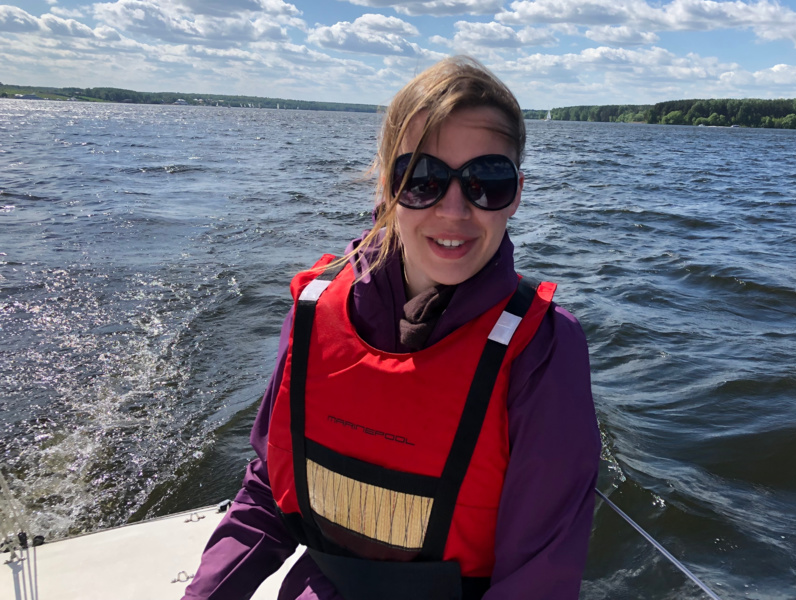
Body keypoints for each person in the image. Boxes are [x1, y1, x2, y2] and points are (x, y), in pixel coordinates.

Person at [182, 56, 600, 600]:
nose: (454, 210)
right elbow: (268, 494)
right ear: (387, 185)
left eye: (487, 181)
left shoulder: (543, 350)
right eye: (421, 178)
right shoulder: (314, 309)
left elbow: (536, 581)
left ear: (516, 194)